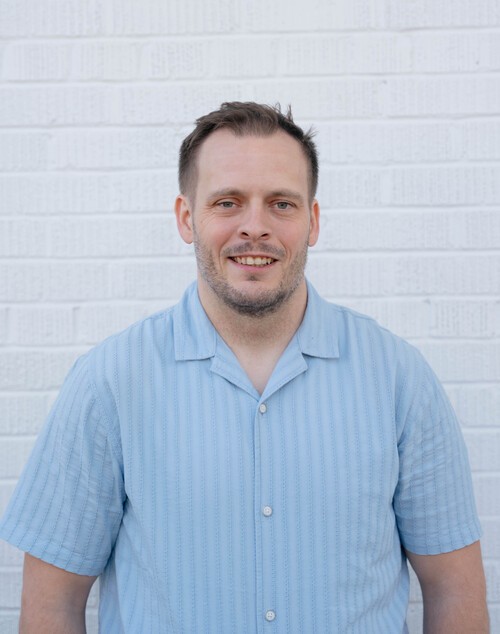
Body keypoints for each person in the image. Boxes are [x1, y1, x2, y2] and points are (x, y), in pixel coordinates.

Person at [0, 102, 489, 633]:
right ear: (187, 218)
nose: (255, 227)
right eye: (228, 202)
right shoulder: (109, 384)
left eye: (281, 204)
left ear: (312, 221)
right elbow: (52, 604)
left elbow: (454, 592)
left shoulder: (398, 380)